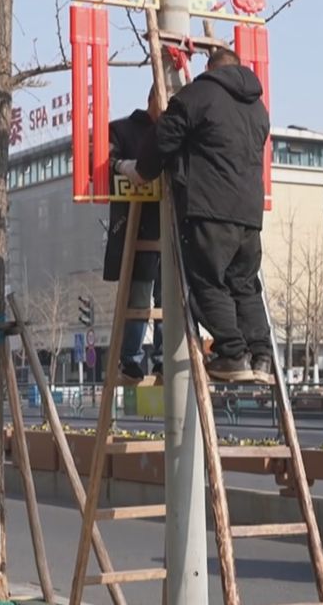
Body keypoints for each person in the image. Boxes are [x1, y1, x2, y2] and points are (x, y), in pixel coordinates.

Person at [117, 48, 273, 384]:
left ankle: (232, 354)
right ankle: (261, 356)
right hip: (249, 215)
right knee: (245, 285)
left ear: (210, 68)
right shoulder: (258, 109)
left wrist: (139, 169)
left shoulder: (198, 95)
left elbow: (163, 140)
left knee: (207, 281)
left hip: (209, 208)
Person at [104, 87, 164, 386]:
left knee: (169, 300)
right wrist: (122, 167)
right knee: (139, 298)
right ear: (151, 98)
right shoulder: (123, 130)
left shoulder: (177, 131)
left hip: (172, 230)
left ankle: (165, 358)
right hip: (138, 226)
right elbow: (107, 160)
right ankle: (131, 360)